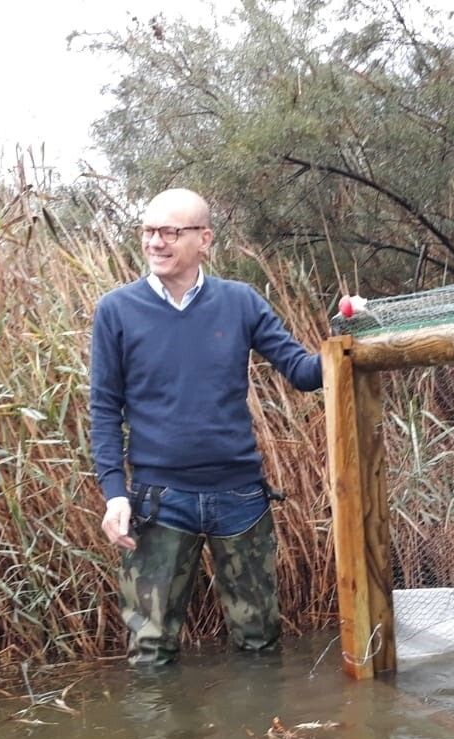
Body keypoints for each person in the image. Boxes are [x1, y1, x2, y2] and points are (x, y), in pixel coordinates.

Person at [89, 188, 323, 664]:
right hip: (159, 503)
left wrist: (348, 334)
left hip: (240, 499)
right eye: (148, 231)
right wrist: (115, 494)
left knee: (259, 643)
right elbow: (104, 408)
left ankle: (260, 716)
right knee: (150, 652)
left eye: (170, 232)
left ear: (205, 239)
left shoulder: (240, 302)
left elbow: (303, 373)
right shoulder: (116, 310)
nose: (155, 242)